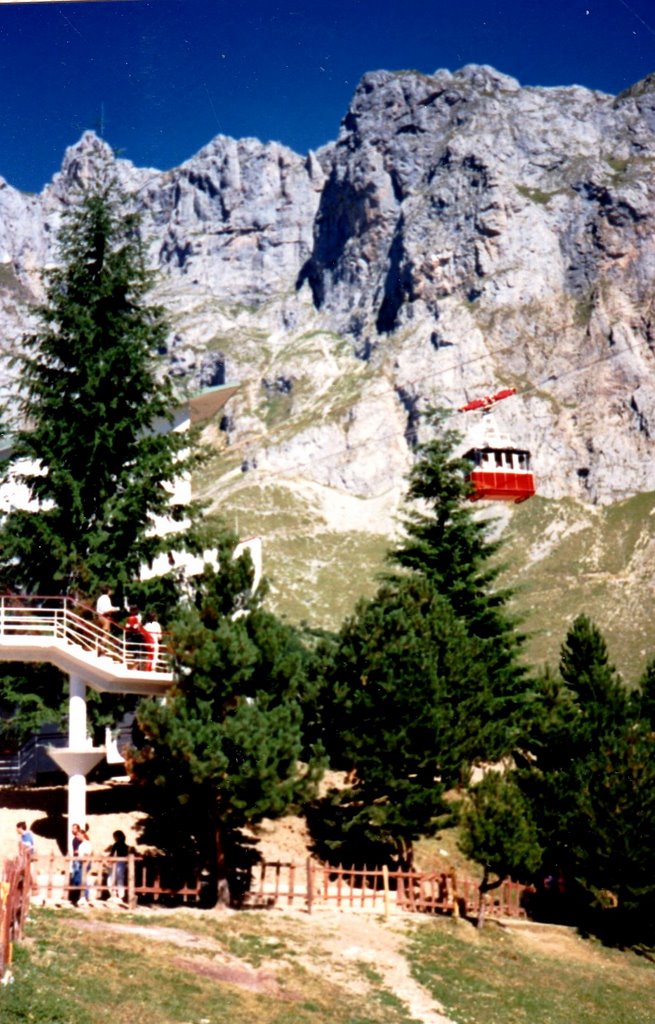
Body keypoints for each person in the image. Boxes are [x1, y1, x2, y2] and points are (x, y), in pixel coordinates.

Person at [108, 829, 129, 902]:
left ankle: (114, 894)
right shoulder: (125, 846)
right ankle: (120, 895)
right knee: (120, 878)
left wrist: (109, 859)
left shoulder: (117, 844)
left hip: (118, 862)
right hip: (121, 863)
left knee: (112, 878)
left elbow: (112, 854)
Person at [77, 827, 93, 905]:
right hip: (81, 862)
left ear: (82, 835)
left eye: (78, 835)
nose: (77, 837)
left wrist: (85, 865)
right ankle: (83, 896)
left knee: (83, 879)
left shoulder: (86, 844)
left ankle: (84, 896)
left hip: (85, 863)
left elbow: (87, 855)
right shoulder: (82, 844)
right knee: (81, 879)